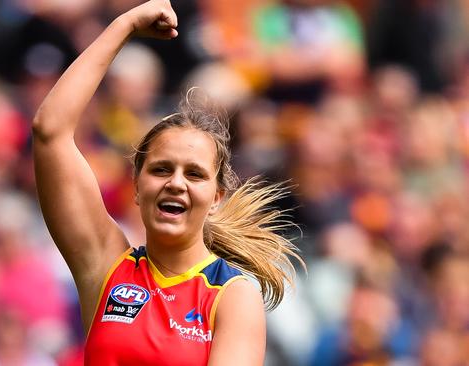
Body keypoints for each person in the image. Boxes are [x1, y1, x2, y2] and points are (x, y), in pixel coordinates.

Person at [31, 1, 302, 364]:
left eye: (194, 174)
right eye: (160, 169)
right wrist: (123, 27)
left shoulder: (232, 295)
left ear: (217, 197)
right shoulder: (106, 266)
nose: (176, 183)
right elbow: (50, 131)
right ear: (137, 187)